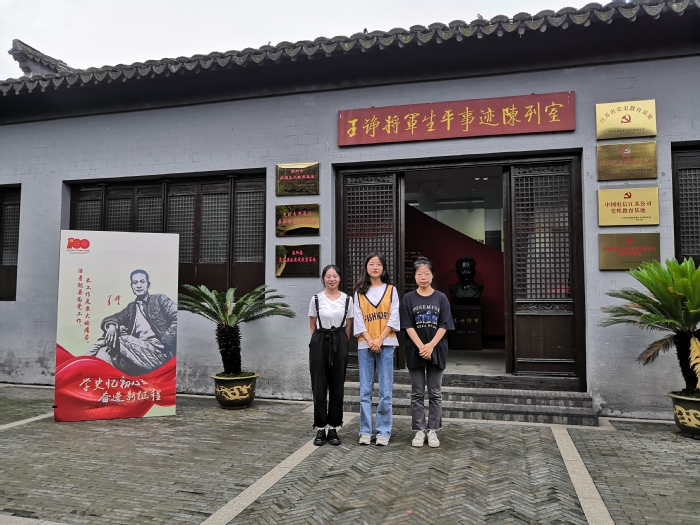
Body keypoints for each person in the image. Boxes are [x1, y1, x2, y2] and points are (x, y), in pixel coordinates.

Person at [400, 257, 454, 448]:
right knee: (416, 393)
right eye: (419, 274)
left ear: (432, 276)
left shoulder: (441, 298)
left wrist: (430, 346)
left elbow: (445, 324)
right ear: (414, 276)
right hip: (415, 351)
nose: (423, 277)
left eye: (426, 274)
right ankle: (419, 430)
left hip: (437, 350)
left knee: (434, 392)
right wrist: (421, 347)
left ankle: (433, 430)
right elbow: (407, 325)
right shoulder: (408, 298)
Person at [87, 269, 177, 376]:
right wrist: (111, 326)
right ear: (132, 286)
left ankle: (84, 359)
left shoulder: (160, 299)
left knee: (121, 339)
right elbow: (116, 317)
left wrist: (165, 341)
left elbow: (178, 318)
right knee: (104, 351)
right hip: (138, 353)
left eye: (142, 282)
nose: (139, 286)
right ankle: (86, 373)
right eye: (135, 282)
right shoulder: (131, 308)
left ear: (148, 284)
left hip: (160, 353)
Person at [353, 252, 400, 446]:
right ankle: (365, 431)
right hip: (365, 344)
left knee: (385, 391)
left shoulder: (391, 290)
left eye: (378, 264)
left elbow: (394, 316)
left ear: (383, 268)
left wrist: (379, 339)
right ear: (366, 267)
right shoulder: (359, 292)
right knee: (365, 390)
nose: (375, 267)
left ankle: (383, 431)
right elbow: (358, 318)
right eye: (371, 264)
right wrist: (370, 340)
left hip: (386, 343)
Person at [308, 264, 354, 446]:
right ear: (323, 279)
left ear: (339, 278)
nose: (332, 279)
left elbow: (349, 325)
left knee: (337, 385)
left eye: (335, 276)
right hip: (320, 340)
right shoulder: (316, 299)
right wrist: (318, 342)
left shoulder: (347, 300)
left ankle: (334, 427)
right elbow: (312, 324)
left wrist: (342, 342)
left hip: (339, 340)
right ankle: (320, 427)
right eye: (328, 276)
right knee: (319, 385)